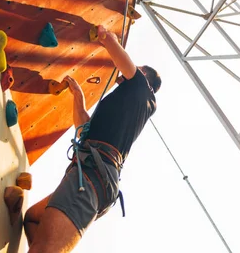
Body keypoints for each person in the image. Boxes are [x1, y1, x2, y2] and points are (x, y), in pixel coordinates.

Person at [24, 24, 162, 253]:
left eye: (137, 69)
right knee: (32, 219)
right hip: (90, 173)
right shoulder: (124, 105)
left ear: (144, 76)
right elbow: (85, 130)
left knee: (45, 248)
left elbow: (116, 51)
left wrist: (106, 36)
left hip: (92, 177)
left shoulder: (142, 90)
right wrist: (78, 97)